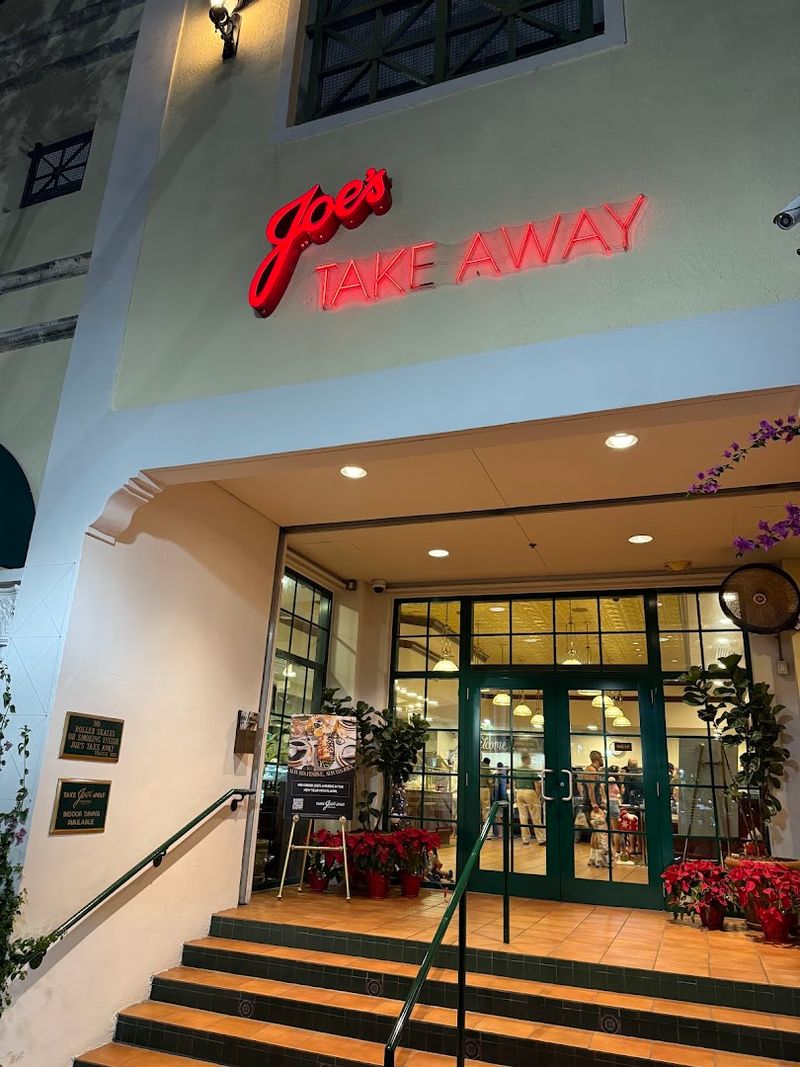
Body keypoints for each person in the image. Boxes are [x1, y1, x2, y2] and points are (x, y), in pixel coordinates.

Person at [514, 752, 546, 845]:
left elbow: (514, 783)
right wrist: (539, 796)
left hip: (519, 792)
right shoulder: (531, 771)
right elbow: (537, 785)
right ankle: (541, 839)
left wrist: (515, 795)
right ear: (527, 759)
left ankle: (525, 839)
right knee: (536, 816)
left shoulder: (517, 770)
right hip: (530, 792)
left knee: (523, 817)